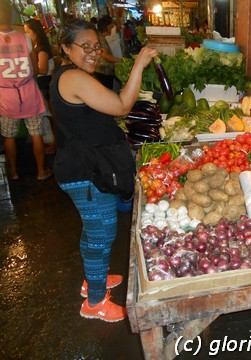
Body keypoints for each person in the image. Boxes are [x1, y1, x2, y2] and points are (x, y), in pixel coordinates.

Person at [49, 19, 157, 322]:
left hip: (83, 168)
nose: (93, 52)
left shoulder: (73, 75)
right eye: (84, 47)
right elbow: (122, 105)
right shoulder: (73, 77)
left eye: (96, 46)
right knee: (101, 233)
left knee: (93, 231)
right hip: (86, 174)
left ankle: (92, 279)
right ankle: (94, 303)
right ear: (66, 48)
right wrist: (139, 64)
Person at [0, 0, 52, 181]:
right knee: (35, 133)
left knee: (8, 136)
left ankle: (13, 172)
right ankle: (41, 171)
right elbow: (36, 69)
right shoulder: (25, 37)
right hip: (28, 90)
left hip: (6, 95)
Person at [24, 18, 56, 154]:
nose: (26, 35)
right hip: (44, 84)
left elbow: (42, 69)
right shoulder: (37, 46)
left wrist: (30, 66)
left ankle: (56, 145)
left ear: (35, 32)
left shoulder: (42, 48)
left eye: (28, 32)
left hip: (45, 84)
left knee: (52, 117)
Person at [94, 15, 121, 90]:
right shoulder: (99, 38)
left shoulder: (100, 37)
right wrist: (121, 60)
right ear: (106, 27)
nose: (112, 30)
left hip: (103, 72)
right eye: (110, 28)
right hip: (103, 73)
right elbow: (105, 56)